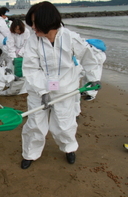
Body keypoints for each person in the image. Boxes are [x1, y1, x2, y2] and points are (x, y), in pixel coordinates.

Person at [21, 1, 102, 169]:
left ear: (48, 21)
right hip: (38, 90)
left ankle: (68, 148)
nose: (33, 27)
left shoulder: (70, 38)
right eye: (32, 24)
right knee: (35, 123)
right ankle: (30, 153)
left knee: (65, 123)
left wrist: (92, 80)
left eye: (36, 23)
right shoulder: (32, 40)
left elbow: (90, 59)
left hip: (65, 89)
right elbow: (30, 68)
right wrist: (43, 91)